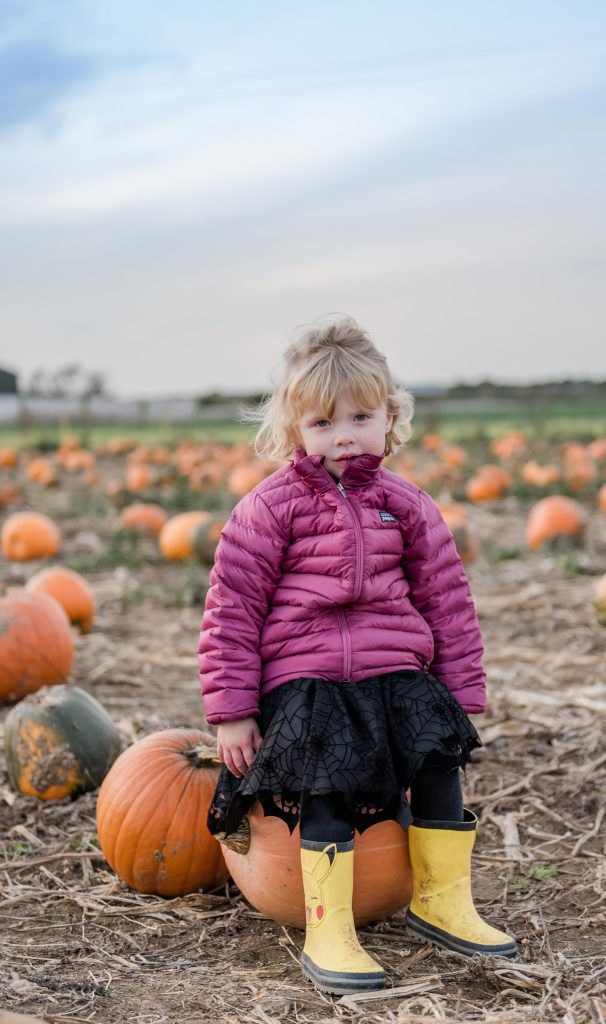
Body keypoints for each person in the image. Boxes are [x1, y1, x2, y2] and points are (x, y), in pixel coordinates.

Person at [198, 315, 516, 994]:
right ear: (292, 433)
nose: (343, 435)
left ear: (389, 420)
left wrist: (459, 694)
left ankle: (442, 900)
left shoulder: (407, 506)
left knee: (437, 760)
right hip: (307, 680)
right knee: (326, 782)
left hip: (395, 672)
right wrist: (231, 709)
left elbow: (447, 604)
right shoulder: (268, 509)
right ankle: (329, 928)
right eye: (321, 424)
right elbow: (232, 609)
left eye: (360, 416)